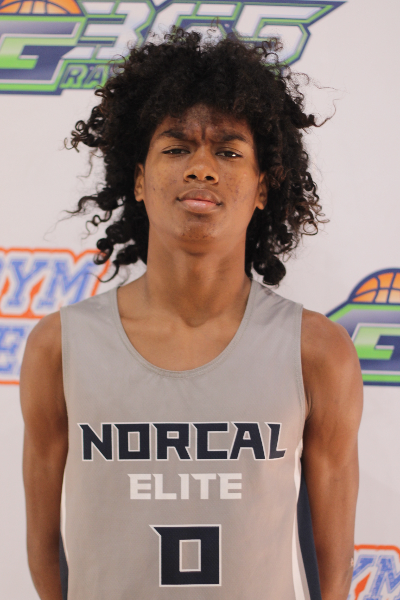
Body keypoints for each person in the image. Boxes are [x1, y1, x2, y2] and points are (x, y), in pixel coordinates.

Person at [20, 29, 363, 600]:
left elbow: (334, 567)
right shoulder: (60, 346)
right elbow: (41, 546)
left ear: (262, 187)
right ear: (138, 179)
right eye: (177, 148)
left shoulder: (317, 351)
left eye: (228, 151)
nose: (202, 167)